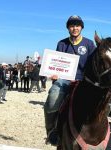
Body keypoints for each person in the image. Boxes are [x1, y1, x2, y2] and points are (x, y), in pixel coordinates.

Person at [44, 15, 96, 145]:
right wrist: (54, 74)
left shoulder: (89, 44)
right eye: (72, 26)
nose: (75, 28)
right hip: (65, 80)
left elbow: (94, 65)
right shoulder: (61, 43)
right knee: (52, 98)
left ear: (81, 27)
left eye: (77, 25)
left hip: (84, 81)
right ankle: (51, 131)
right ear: (68, 28)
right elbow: (56, 64)